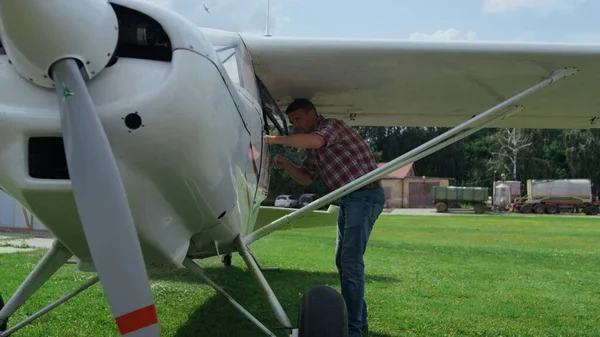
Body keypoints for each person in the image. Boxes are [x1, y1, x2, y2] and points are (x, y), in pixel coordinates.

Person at [264, 98, 385, 337]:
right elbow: (307, 177)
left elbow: (317, 141)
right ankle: (358, 322)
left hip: (365, 195)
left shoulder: (331, 127)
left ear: (313, 113)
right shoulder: (313, 145)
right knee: (343, 261)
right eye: (291, 122)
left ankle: (353, 329)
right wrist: (286, 163)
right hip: (350, 199)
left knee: (350, 262)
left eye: (298, 119)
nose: (295, 125)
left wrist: (273, 139)